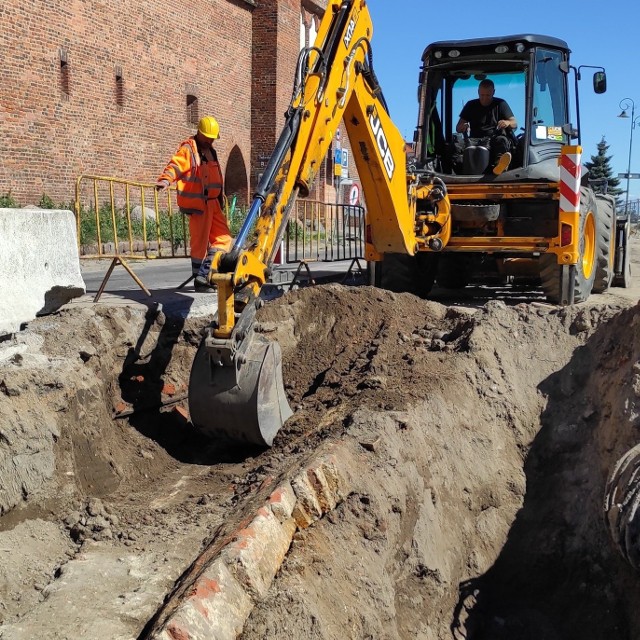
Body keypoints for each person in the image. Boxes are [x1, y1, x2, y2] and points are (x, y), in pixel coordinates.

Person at [156, 115, 232, 291]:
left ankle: (207, 273)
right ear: (199, 133)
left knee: (225, 240)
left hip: (214, 204)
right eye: (208, 137)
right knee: (199, 244)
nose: (211, 140)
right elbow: (175, 165)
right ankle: (201, 279)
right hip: (200, 205)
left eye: (213, 137)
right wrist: (165, 180)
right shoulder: (189, 150)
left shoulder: (210, 151)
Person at [455, 79, 517, 175]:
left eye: (487, 95)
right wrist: (463, 126)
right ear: (478, 92)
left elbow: (514, 123)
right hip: (473, 140)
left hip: (493, 138)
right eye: (482, 95)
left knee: (502, 140)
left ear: (493, 92)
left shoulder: (500, 104)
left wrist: (507, 122)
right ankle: (457, 171)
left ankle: (500, 167)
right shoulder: (470, 105)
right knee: (456, 146)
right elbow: (458, 127)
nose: (484, 98)